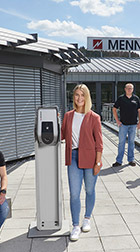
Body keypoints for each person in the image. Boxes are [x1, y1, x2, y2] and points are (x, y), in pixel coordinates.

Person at [61, 84, 103, 241]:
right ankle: (75, 226)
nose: (79, 98)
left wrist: (98, 163)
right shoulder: (68, 116)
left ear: (87, 97)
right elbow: (61, 135)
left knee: (90, 190)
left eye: (82, 95)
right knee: (74, 194)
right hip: (73, 157)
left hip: (91, 158)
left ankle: (87, 218)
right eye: (77, 95)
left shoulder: (94, 117)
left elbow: (99, 143)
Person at [112, 83, 140, 167]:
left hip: (133, 125)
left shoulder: (136, 98)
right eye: (128, 88)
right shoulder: (121, 98)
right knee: (121, 143)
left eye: (131, 88)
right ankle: (119, 161)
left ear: (133, 89)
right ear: (125, 89)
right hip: (123, 125)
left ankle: (131, 160)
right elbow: (114, 109)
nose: (129, 89)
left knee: (131, 143)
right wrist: (117, 121)